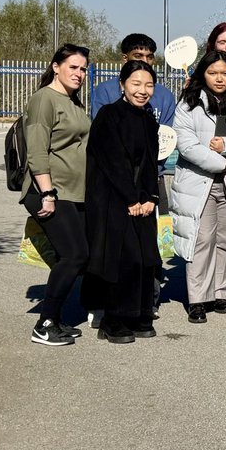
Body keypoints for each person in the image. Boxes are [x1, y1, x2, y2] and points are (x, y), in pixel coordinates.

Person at [85, 60, 160, 343]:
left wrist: (151, 197)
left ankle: (139, 314)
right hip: (113, 198)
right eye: (136, 84)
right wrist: (130, 198)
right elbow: (112, 161)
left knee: (144, 257)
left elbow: (152, 162)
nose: (142, 91)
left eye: (149, 85)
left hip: (142, 201)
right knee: (119, 258)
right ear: (122, 86)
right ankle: (113, 319)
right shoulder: (109, 115)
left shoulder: (148, 119)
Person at [22, 44, 92, 346]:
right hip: (52, 190)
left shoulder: (73, 102)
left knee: (77, 255)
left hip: (73, 193)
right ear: (56, 66)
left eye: (84, 69)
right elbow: (37, 150)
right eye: (73, 67)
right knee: (74, 255)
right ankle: (45, 322)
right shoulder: (44, 100)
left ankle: (56, 319)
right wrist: (47, 192)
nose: (80, 73)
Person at [169, 51, 226, 323]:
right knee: (202, 241)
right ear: (203, 74)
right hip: (199, 182)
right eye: (213, 73)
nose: (219, 78)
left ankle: (221, 293)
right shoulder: (189, 104)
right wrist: (222, 163)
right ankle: (198, 299)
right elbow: (186, 145)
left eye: (225, 73)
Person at [89, 33, 176, 125]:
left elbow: (167, 132)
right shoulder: (105, 90)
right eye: (138, 56)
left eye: (149, 57)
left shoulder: (165, 95)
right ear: (125, 58)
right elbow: (101, 128)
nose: (145, 61)